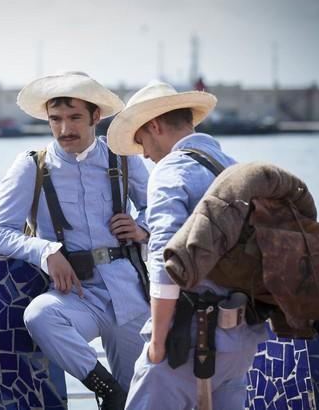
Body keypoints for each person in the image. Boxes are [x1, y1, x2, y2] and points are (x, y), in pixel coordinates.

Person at [0, 72, 151, 409]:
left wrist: (141, 227)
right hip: (77, 295)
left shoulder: (122, 157)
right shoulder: (32, 166)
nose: (64, 129)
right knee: (40, 317)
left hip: (129, 292)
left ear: (95, 116)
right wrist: (46, 251)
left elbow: (157, 210)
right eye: (55, 119)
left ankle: (119, 397)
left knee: (138, 401)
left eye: (74, 117)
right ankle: (104, 387)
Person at [107, 80, 267, 410]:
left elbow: (168, 259)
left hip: (188, 338)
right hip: (241, 341)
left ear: (155, 125)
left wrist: (158, 340)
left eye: (142, 143)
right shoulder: (232, 167)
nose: (146, 155)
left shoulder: (171, 170)